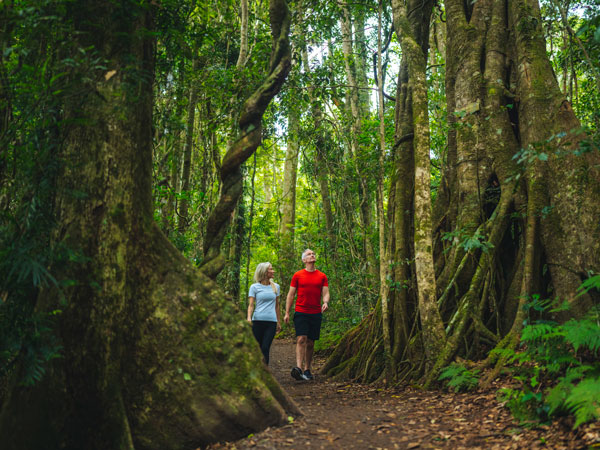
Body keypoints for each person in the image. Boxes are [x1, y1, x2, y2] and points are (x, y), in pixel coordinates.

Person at [284, 249, 329, 381]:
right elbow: (291, 294)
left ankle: (307, 369)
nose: (312, 255)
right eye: (309, 254)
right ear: (304, 260)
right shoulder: (297, 275)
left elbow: (325, 292)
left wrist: (325, 302)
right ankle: (298, 368)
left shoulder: (322, 276)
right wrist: (287, 312)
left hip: (315, 312)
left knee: (310, 342)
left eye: (313, 253)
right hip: (301, 311)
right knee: (301, 339)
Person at [247, 262, 281, 365]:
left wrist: (279, 322)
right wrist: (249, 318)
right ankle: (256, 371)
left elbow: (277, 306)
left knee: (265, 347)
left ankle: (265, 375)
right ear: (264, 272)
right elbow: (251, 305)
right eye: (270, 269)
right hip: (257, 321)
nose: (273, 271)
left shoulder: (276, 287)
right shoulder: (254, 287)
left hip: (271, 322)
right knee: (257, 348)